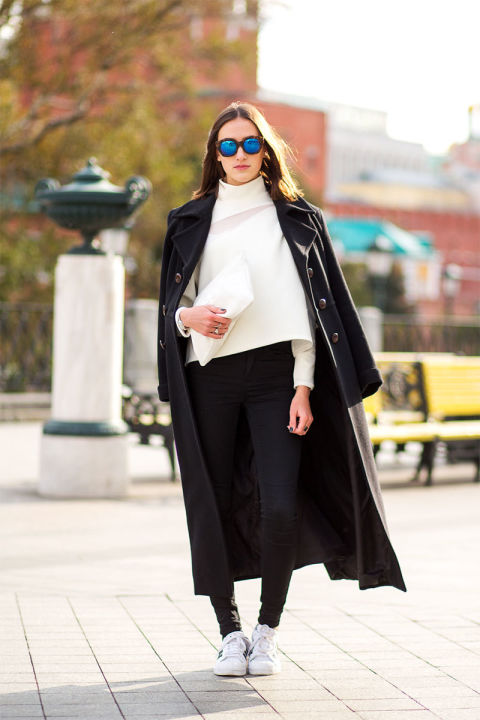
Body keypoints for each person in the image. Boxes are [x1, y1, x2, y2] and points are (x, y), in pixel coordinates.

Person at [157, 101, 405, 678]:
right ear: (215, 155)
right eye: (228, 145)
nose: (240, 154)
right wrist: (187, 318)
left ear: (265, 150)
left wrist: (303, 386)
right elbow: (174, 305)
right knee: (212, 501)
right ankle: (229, 632)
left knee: (282, 504)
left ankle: (266, 630)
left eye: (250, 143)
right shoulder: (188, 219)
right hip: (209, 376)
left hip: (278, 379)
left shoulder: (298, 218)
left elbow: (312, 313)